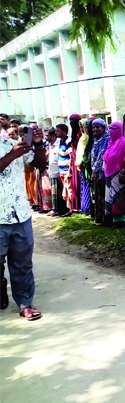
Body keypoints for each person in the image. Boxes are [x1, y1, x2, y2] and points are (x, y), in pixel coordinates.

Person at [0, 122, 46, 319]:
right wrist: (12, 155)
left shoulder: (11, 143)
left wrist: (37, 143)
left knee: (22, 263)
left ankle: (25, 302)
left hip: (20, 214)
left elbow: (39, 163)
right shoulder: (13, 150)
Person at [90, 119, 110, 224]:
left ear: (103, 127)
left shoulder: (107, 139)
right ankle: (99, 218)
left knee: (103, 194)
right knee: (97, 194)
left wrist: (95, 170)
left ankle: (105, 219)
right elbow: (93, 156)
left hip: (102, 171)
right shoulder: (95, 139)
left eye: (98, 127)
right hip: (95, 171)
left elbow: (102, 156)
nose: (95, 129)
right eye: (94, 127)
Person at [75, 119, 93, 216]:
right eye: (81, 127)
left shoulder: (88, 138)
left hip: (86, 165)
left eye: (84, 127)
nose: (82, 129)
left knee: (88, 186)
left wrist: (82, 162)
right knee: (84, 185)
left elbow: (86, 153)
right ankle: (85, 207)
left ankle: (89, 207)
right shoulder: (82, 137)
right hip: (81, 165)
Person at [56, 124, 73, 216]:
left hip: (67, 170)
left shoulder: (68, 141)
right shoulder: (60, 142)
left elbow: (71, 156)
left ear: (64, 131)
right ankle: (69, 208)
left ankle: (72, 209)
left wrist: (70, 170)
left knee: (69, 190)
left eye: (58, 131)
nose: (56, 133)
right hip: (62, 170)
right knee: (65, 190)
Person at [67, 114, 82, 212]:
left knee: (79, 182)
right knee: (74, 182)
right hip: (73, 159)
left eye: (73, 121)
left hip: (79, 160)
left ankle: (80, 205)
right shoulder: (73, 133)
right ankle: (75, 205)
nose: (71, 123)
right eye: (70, 120)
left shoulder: (80, 133)